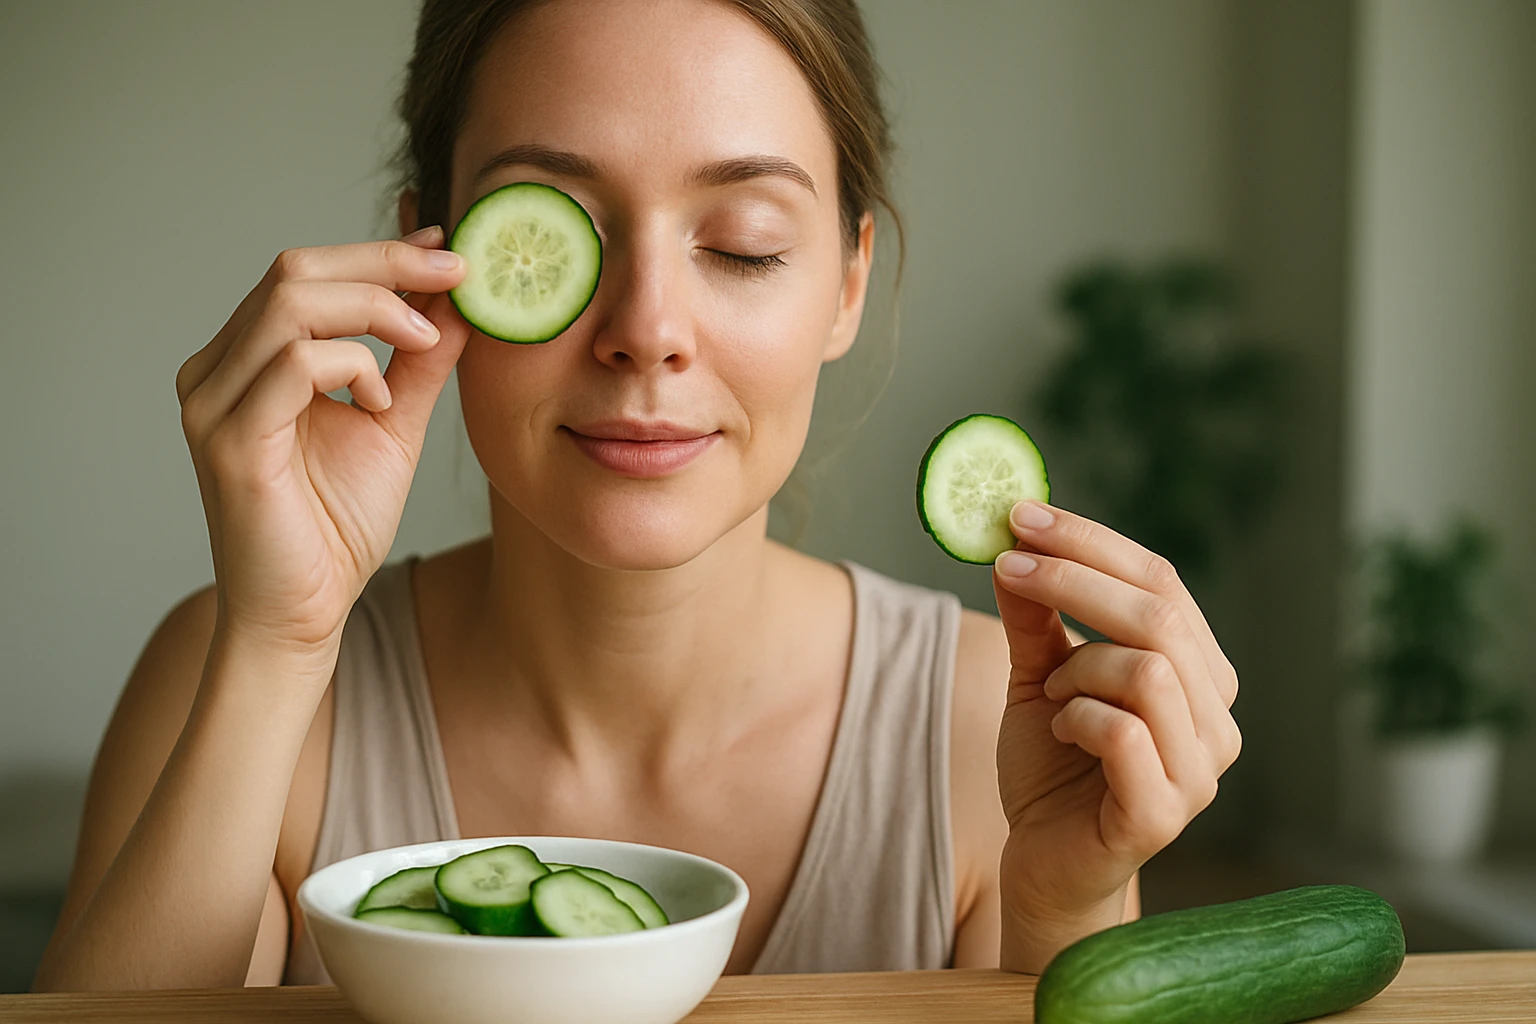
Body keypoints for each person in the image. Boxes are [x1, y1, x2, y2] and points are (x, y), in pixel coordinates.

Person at [32, 0, 1240, 991]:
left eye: (745, 242)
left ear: (845, 284)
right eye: (552, 228)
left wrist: (1062, 906)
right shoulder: (239, 679)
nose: (648, 331)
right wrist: (278, 638)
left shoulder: (990, 728)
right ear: (427, 262)